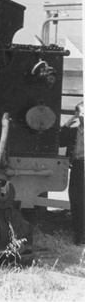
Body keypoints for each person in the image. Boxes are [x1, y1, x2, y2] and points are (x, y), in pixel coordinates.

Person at [61, 101, 84, 245]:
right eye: (82, 112)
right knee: (76, 201)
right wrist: (66, 125)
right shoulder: (73, 131)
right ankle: (78, 236)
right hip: (78, 167)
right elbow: (59, 142)